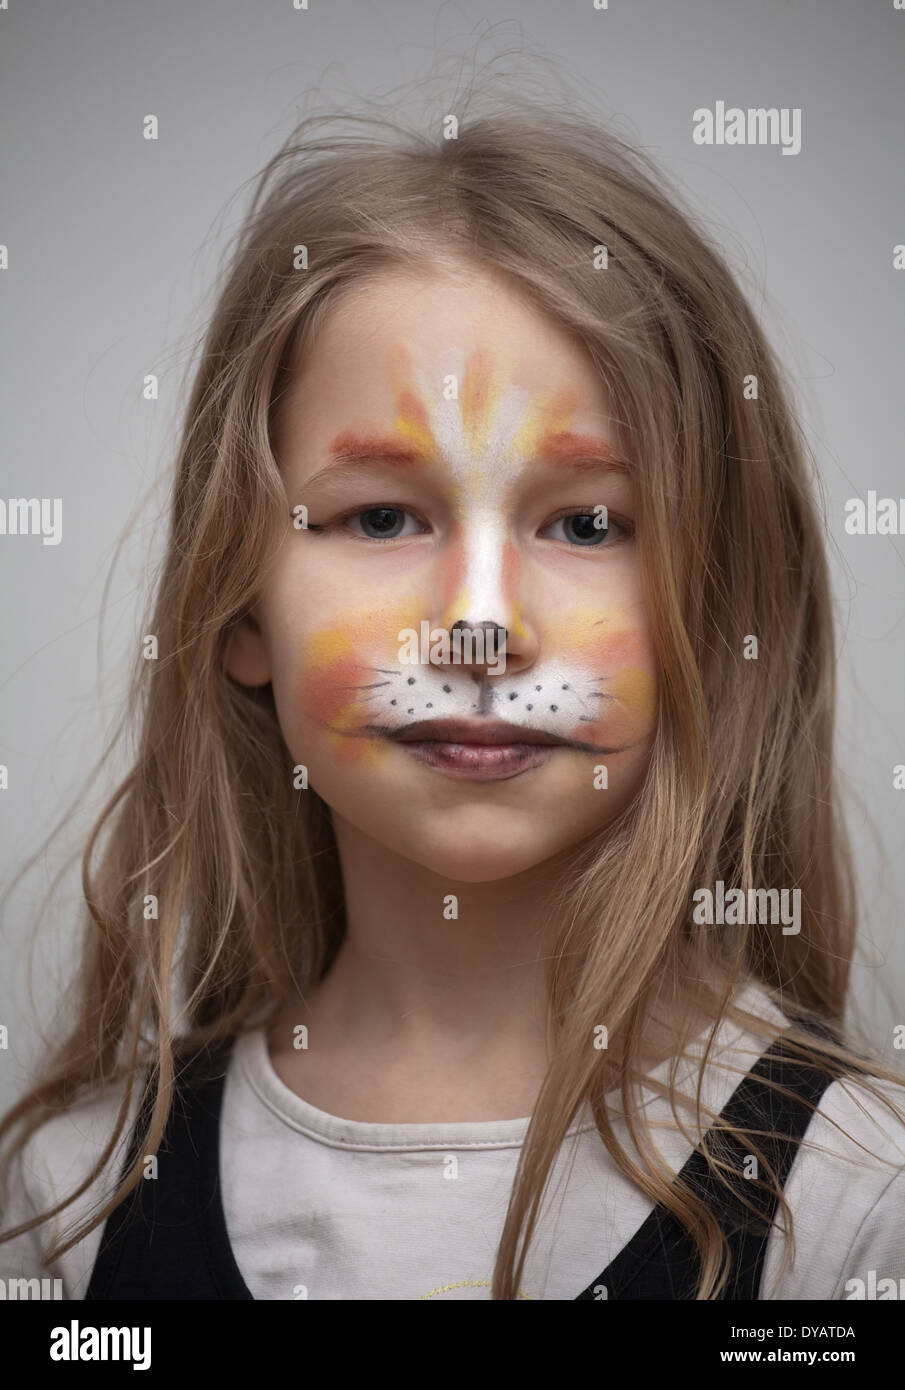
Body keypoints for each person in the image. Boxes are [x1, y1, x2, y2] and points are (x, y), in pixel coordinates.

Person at [1, 98, 903, 1302]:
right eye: (380, 516)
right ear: (237, 606)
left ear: (718, 607)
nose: (480, 625)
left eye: (586, 523)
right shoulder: (70, 1204)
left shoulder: (853, 1205)